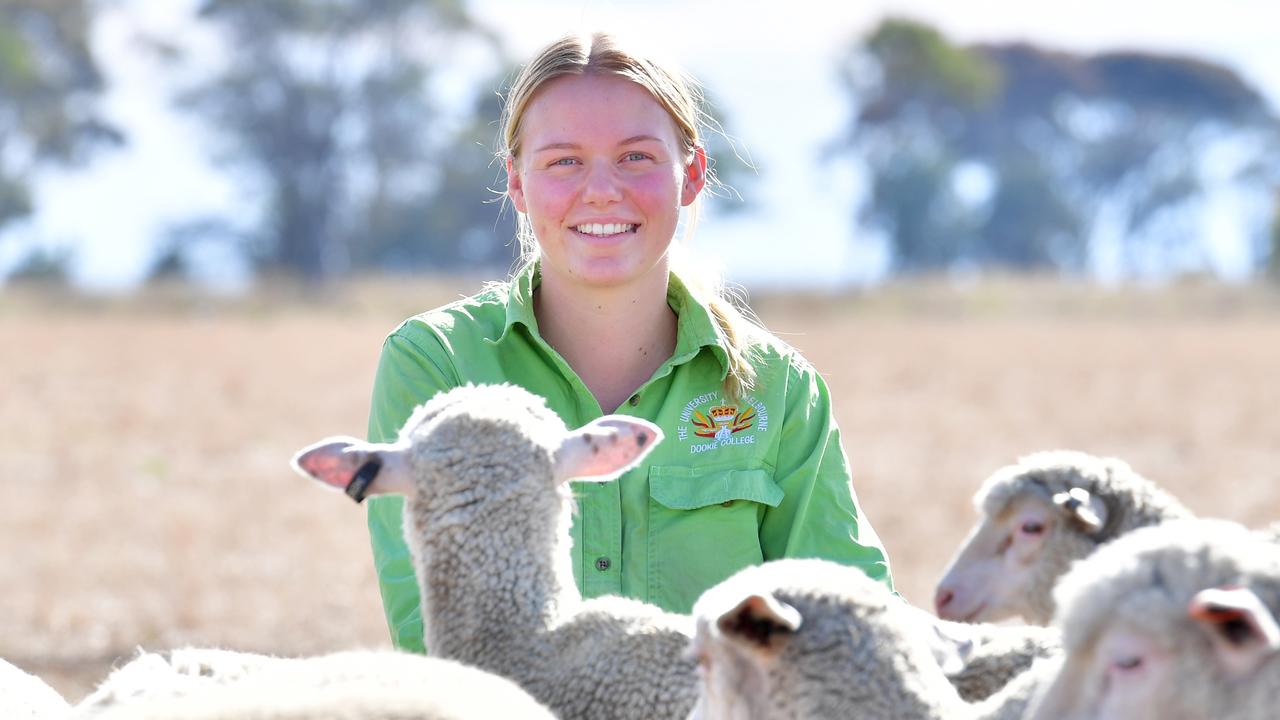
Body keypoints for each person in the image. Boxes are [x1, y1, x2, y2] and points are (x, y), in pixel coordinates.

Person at [365, 32, 893, 653]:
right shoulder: (435, 364)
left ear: (692, 174)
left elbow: (855, 628)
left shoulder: (779, 388)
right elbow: (431, 635)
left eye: (636, 157)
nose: (602, 191)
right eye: (564, 160)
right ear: (516, 181)